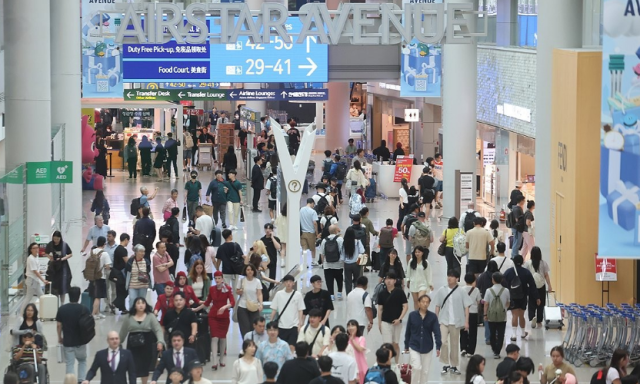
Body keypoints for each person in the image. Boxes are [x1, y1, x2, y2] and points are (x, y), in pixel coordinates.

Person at [434, 269, 472, 375]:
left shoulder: (461, 291)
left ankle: (454, 365)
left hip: (456, 321)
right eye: (448, 276)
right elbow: (437, 305)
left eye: (452, 276)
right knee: (443, 341)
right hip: (443, 321)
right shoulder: (442, 290)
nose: (449, 278)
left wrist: (466, 321)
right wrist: (435, 320)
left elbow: (466, 307)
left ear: (457, 279)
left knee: (455, 344)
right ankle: (445, 364)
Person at [119, 297, 165, 384]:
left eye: (143, 303)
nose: (141, 305)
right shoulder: (129, 317)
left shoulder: (150, 316)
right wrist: (117, 343)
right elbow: (123, 332)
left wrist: (160, 341)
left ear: (145, 305)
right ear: (135, 305)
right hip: (132, 346)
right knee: (132, 366)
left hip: (146, 346)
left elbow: (158, 330)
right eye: (138, 303)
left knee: (145, 367)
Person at [404, 294, 442, 384]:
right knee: (416, 367)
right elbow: (408, 331)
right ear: (419, 303)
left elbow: (437, 332)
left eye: (427, 302)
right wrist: (406, 345)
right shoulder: (412, 315)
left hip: (427, 347)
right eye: (423, 302)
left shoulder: (433, 317)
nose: (425, 304)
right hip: (414, 346)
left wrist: (438, 346)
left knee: (425, 372)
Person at [201, 271, 234, 370]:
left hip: (224, 316)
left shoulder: (228, 289)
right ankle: (215, 361)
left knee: (223, 338)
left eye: (219, 278)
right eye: (216, 278)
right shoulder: (211, 289)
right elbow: (207, 302)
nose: (217, 280)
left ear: (222, 279)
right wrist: (196, 309)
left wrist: (225, 307)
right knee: (214, 337)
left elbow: (232, 302)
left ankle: (222, 359)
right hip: (213, 315)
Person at [57, 287, 91, 381]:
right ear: (79, 296)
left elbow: (59, 325)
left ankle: (70, 382)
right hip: (81, 341)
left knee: (69, 363)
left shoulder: (62, 309)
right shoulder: (84, 309)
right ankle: (81, 380)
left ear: (68, 295)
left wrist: (60, 337)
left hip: (68, 341)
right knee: (82, 361)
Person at [503, 255, 539, 341]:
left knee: (514, 315)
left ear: (514, 262)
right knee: (521, 315)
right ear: (522, 262)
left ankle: (514, 335)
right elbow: (532, 285)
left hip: (512, 296)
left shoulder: (508, 272)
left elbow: (503, 283)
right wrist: (537, 297)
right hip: (523, 296)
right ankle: (523, 333)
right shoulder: (526, 272)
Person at [378, 271, 409, 363]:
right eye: (387, 279)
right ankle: (387, 363)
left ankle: (396, 363)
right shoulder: (382, 293)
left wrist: (399, 319)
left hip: (397, 323)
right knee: (386, 345)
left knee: (395, 344)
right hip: (385, 322)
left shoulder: (399, 292)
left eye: (391, 279)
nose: (388, 281)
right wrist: (379, 323)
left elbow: (405, 306)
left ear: (395, 281)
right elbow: (380, 309)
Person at [270, 274, 306, 352]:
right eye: (286, 282)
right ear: (284, 283)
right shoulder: (279, 294)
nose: (288, 283)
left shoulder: (298, 295)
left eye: (290, 281)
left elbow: (300, 310)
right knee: (281, 347)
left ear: (293, 283)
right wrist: (270, 322)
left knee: (291, 347)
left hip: (293, 325)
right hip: (281, 326)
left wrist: (299, 324)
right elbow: (274, 309)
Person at [484, 272, 510, 358]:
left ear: (493, 280)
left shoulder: (488, 290)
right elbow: (508, 303)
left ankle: (494, 349)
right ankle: (498, 351)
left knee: (492, 333)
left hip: (491, 315)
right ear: (502, 280)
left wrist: (485, 314)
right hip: (502, 315)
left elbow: (486, 304)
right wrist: (504, 309)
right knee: (501, 334)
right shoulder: (506, 290)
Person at [524, 246, 552, 329]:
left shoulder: (528, 263)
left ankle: (532, 317)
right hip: (541, 286)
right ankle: (539, 320)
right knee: (541, 303)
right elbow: (546, 275)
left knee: (531, 303)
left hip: (531, 286)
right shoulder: (543, 263)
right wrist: (549, 285)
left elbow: (526, 275)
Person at [45, 231, 73, 303]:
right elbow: (46, 252)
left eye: (57, 239)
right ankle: (55, 302)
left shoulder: (64, 245)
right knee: (55, 286)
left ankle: (62, 303)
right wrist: (50, 257)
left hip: (63, 267)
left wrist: (62, 259)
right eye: (54, 239)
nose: (56, 241)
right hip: (53, 268)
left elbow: (70, 254)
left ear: (60, 238)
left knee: (63, 286)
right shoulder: (50, 245)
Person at [236, 264, 264, 337]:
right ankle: (247, 345)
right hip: (243, 307)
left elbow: (259, 293)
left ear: (254, 271)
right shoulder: (241, 280)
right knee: (245, 328)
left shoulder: (257, 281)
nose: (250, 271)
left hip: (254, 307)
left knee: (254, 328)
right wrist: (240, 291)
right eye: (248, 270)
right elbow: (237, 291)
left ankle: (253, 345)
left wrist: (261, 304)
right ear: (245, 271)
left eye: (251, 270)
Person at [20, 243, 48, 315]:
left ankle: (45, 312)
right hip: (31, 280)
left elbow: (36, 270)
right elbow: (35, 271)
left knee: (41, 296)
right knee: (29, 297)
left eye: (37, 248)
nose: (36, 249)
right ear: (31, 250)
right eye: (34, 248)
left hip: (35, 280)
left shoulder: (36, 257)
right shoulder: (31, 258)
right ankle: (22, 313)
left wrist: (41, 271)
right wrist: (43, 280)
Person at [87, 237, 111, 319]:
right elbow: (108, 266)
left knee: (95, 295)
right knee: (98, 296)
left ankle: (98, 312)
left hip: (91, 276)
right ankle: (93, 314)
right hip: (101, 276)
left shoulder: (91, 252)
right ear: (104, 244)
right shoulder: (105, 254)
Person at [460, 273, 482, 357]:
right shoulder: (476, 290)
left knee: (463, 330)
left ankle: (463, 348)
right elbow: (479, 301)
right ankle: (471, 351)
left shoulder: (461, 289)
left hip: (463, 313)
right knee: (473, 332)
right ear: (474, 281)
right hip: (473, 313)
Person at [407, 245, 433, 309]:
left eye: (419, 252)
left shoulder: (426, 263)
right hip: (413, 284)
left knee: (421, 300)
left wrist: (430, 284)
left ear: (422, 253)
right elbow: (408, 272)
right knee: (416, 301)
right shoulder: (411, 261)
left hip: (423, 284)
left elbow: (428, 274)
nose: (417, 253)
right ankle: (417, 316)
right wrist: (408, 280)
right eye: (416, 252)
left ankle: (422, 314)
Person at [125, 244, 151, 308]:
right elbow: (127, 272)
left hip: (143, 285)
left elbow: (149, 272)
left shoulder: (146, 261)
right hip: (132, 285)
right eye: (141, 251)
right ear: (136, 252)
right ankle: (131, 314)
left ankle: (140, 314)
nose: (143, 253)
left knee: (141, 301)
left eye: (143, 251)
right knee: (132, 299)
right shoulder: (130, 261)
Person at [300, 198, 321, 266]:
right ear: (312, 203)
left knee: (304, 248)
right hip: (311, 232)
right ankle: (313, 261)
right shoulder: (313, 212)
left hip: (302, 232)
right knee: (313, 248)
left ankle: (305, 262)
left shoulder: (301, 210)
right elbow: (315, 223)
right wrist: (317, 233)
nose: (313, 206)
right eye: (313, 204)